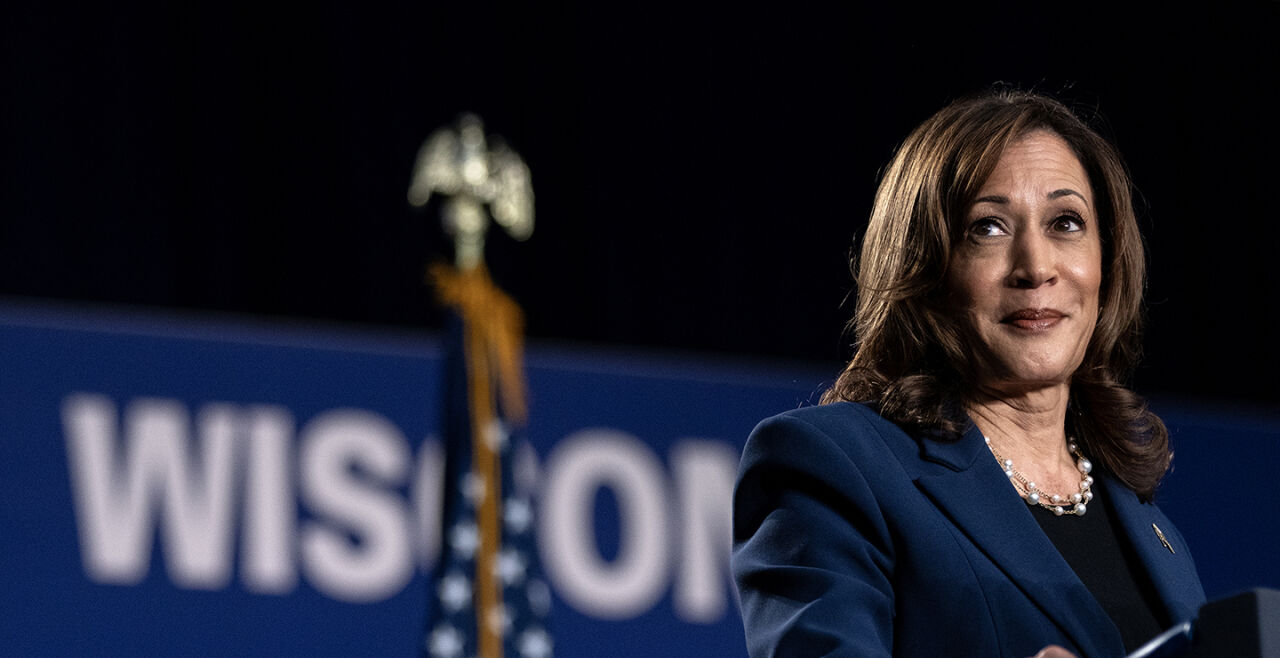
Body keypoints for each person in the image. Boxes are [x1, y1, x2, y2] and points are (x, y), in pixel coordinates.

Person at [731, 89, 1206, 658]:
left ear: (1108, 263)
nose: (1036, 267)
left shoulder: (1154, 533)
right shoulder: (832, 464)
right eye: (988, 228)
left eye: (1066, 222)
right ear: (924, 268)